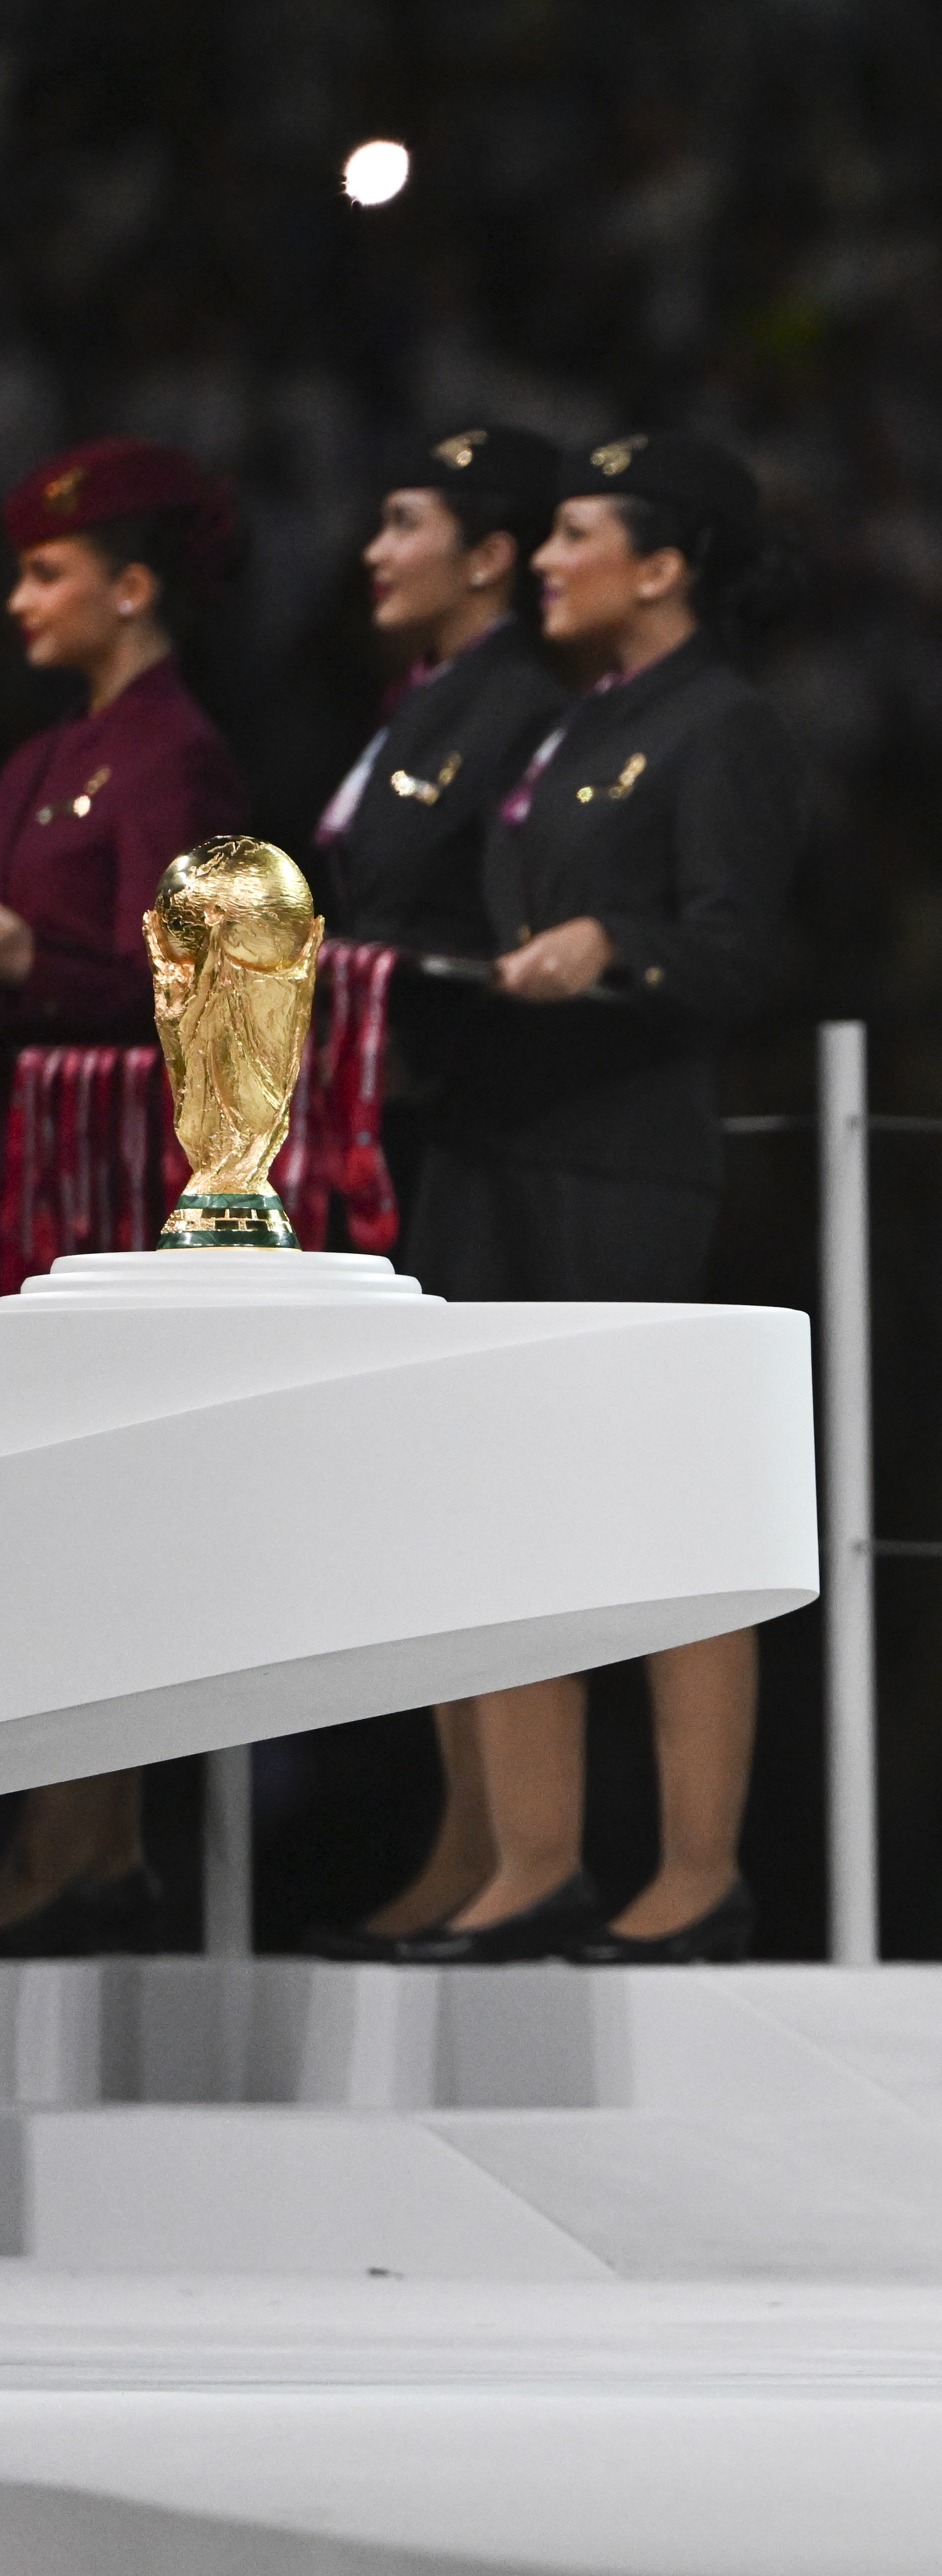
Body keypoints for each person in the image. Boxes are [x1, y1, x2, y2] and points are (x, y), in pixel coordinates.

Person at [331, 430, 802, 1966]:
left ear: (662, 567)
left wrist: (618, 944)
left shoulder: (719, 722)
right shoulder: (580, 715)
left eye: (577, 534)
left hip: (614, 1153)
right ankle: (527, 1862)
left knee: (648, 1515)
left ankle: (695, 1874)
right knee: (498, 1510)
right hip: (501, 1134)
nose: (545, 558)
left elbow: (738, 952)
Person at [0, 434, 246, 1955]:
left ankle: (93, 1838)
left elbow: (198, 990)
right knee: (28, 1506)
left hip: (97, 1174)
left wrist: (37, 960)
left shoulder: (174, 757)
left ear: (134, 587)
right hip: (25, 1170)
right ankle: (62, 1833)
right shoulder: (39, 764)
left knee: (81, 1499)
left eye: (48, 573)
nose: (21, 600)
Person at [313, 423, 567, 1236]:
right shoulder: (421, 698)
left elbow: (506, 920)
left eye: (404, 525)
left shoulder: (523, 708)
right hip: (376, 1095)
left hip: (451, 1111)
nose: (375, 553)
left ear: (487, 559)